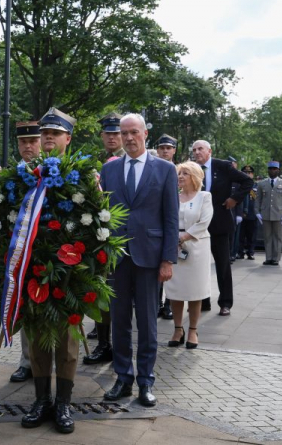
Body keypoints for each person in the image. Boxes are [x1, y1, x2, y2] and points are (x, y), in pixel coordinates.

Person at [100, 113, 179, 408]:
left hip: (150, 257)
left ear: (145, 133)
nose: (129, 138)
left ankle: (146, 380)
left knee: (147, 322)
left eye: (134, 132)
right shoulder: (110, 170)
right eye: (124, 133)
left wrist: (168, 259)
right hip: (117, 258)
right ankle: (123, 377)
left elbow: (171, 217)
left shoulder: (165, 170)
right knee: (119, 321)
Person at [21, 108, 79, 433]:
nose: (47, 138)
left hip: (68, 276)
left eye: (55, 134)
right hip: (33, 271)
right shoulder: (27, 173)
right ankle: (41, 400)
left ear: (67, 139)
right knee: (38, 338)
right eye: (45, 133)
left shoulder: (83, 175)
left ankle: (64, 404)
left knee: (67, 342)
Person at [192, 140, 252, 316]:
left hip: (220, 222)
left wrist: (235, 198)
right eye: (194, 150)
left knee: (223, 265)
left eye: (200, 149)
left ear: (209, 151)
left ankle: (225, 303)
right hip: (197, 225)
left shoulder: (222, 166)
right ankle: (202, 301)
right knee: (198, 265)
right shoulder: (192, 168)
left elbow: (247, 182)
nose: (197, 152)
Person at [84, 112, 124, 356]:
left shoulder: (129, 161)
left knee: (118, 295)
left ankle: (114, 344)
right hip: (102, 238)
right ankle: (104, 343)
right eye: (108, 133)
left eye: (116, 133)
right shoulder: (100, 161)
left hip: (121, 237)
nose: (112, 137)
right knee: (102, 290)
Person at [165, 162, 213, 350]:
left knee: (195, 292)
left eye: (185, 173)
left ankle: (193, 330)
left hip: (197, 245)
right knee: (175, 291)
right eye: (179, 173)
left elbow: (204, 221)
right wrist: (173, 239)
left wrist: (184, 237)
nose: (181, 176)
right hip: (174, 246)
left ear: (195, 176)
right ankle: (178, 329)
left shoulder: (204, 196)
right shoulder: (173, 197)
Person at [9, 121, 41, 384]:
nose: (28, 146)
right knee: (24, 307)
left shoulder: (53, 171)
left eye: (33, 141)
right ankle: (27, 361)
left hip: (49, 254)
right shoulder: (14, 174)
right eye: (23, 142)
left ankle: (51, 361)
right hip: (21, 254)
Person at [153, 134, 179, 320]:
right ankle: (157, 303)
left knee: (169, 270)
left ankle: (168, 304)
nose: (164, 151)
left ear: (174, 150)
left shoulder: (179, 170)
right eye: (162, 148)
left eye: (168, 148)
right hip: (156, 225)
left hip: (174, 221)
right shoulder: (153, 168)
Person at [255, 161, 282, 266]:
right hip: (265, 214)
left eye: (274, 169)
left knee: (277, 237)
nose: (272, 171)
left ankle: (276, 258)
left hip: (279, 215)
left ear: (278, 170)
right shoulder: (262, 183)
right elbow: (258, 199)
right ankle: (268, 258)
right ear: (268, 170)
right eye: (270, 169)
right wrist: (257, 212)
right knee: (267, 237)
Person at [237, 165, 258, 260]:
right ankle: (240, 252)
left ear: (252, 174)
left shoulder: (256, 186)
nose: (247, 174)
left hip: (253, 214)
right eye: (245, 173)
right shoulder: (239, 185)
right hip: (241, 214)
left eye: (249, 173)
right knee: (240, 235)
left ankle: (251, 252)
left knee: (251, 236)